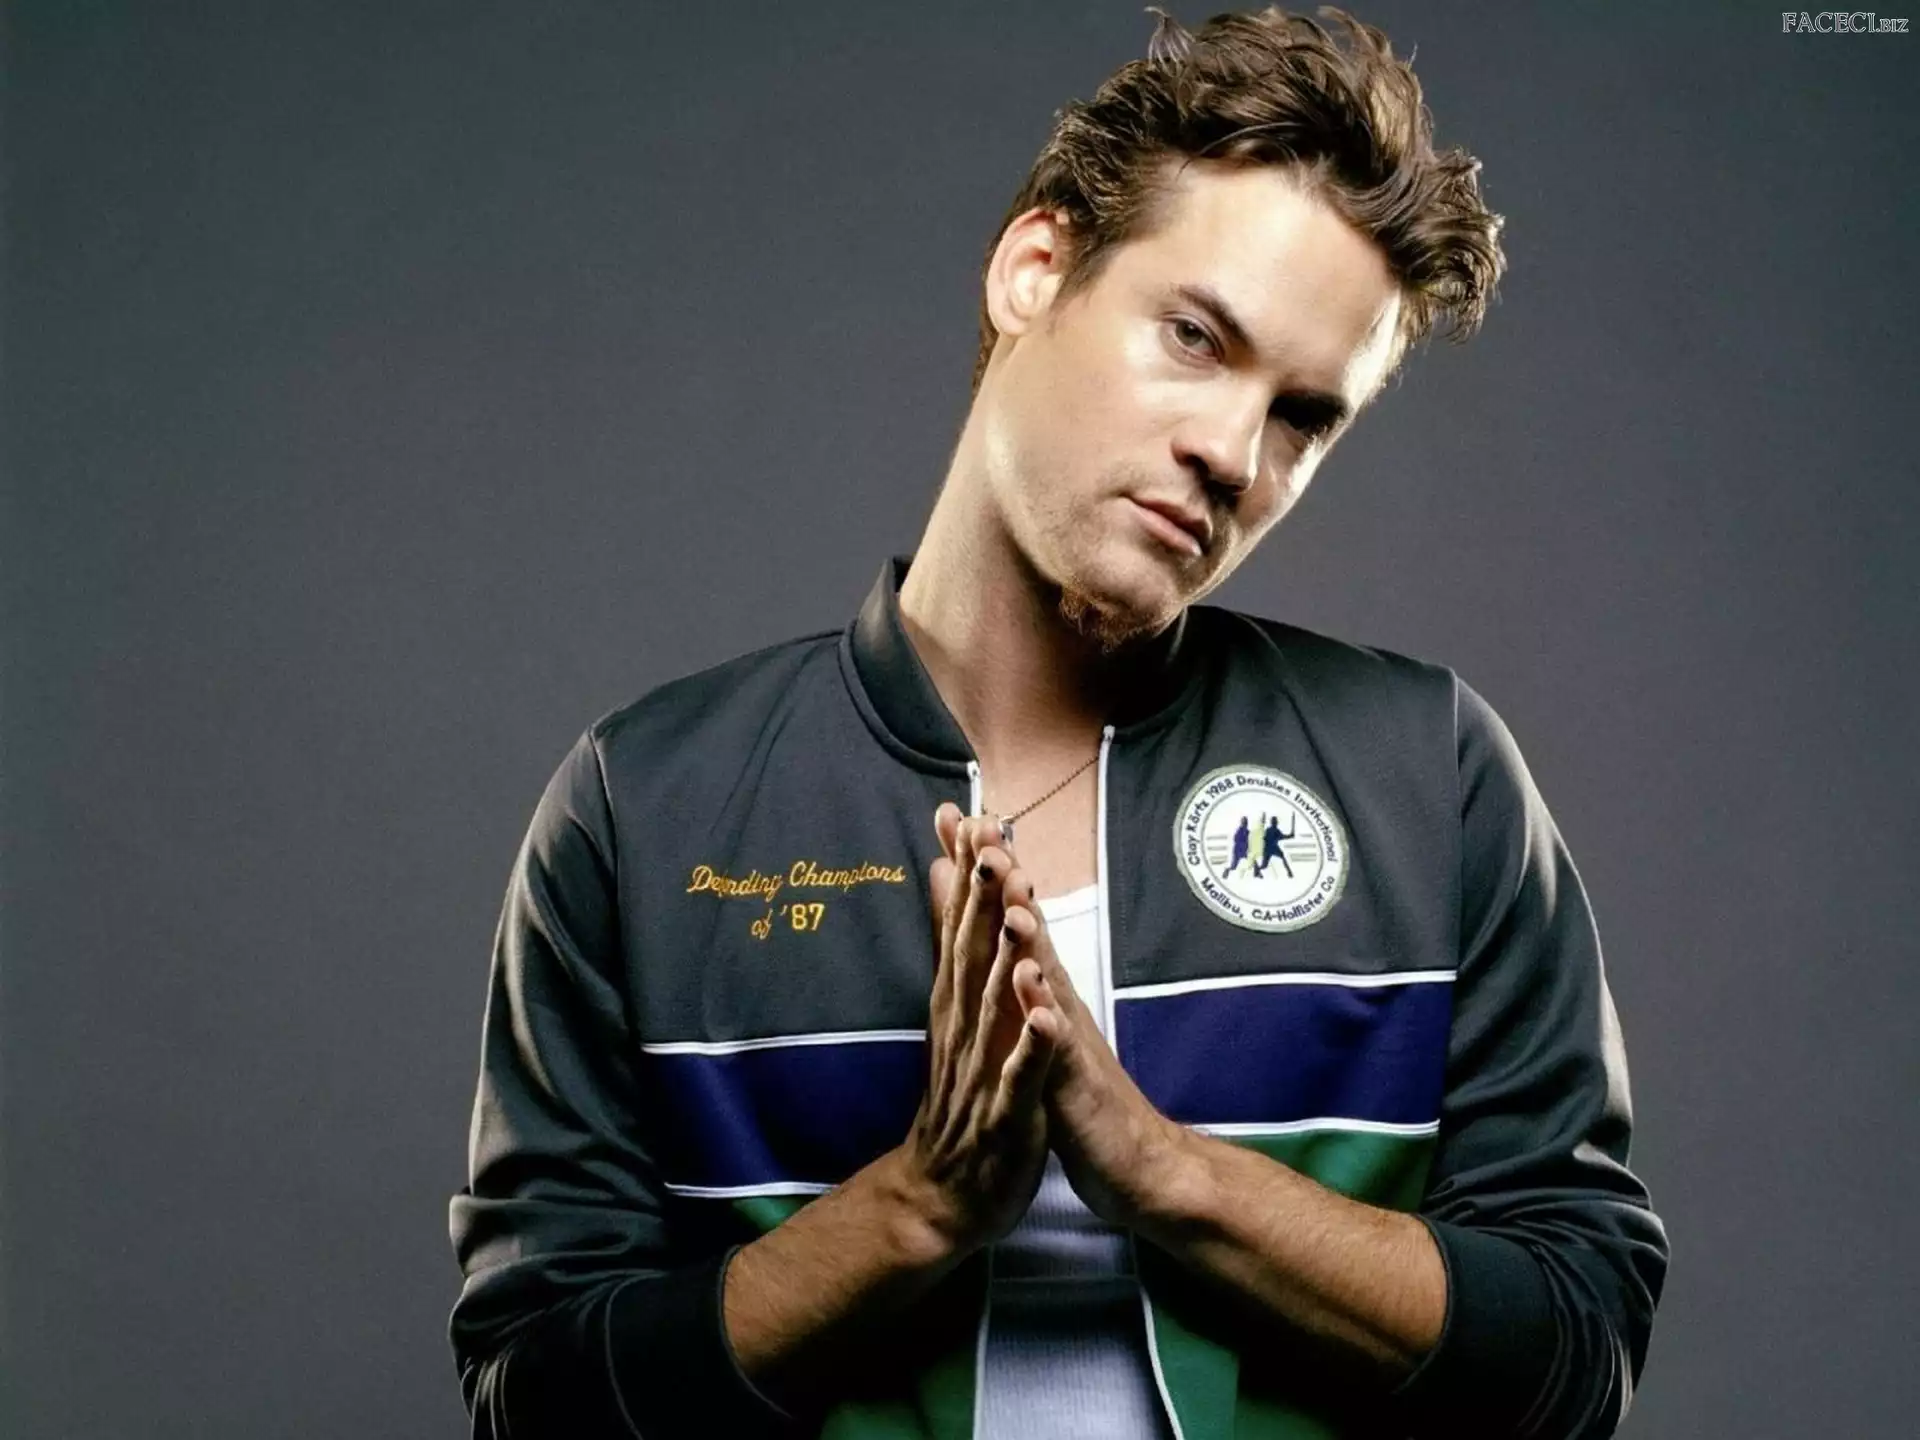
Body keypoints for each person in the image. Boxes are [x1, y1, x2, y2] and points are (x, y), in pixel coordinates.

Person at [446, 7, 1669, 1438]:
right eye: (1195, 337)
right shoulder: (648, 805)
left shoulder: (1430, 776)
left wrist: (1163, 1173)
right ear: (1035, 271)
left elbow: (1578, 1354)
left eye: (1302, 417)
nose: (1232, 452)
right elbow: (534, 1399)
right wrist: (913, 1211)